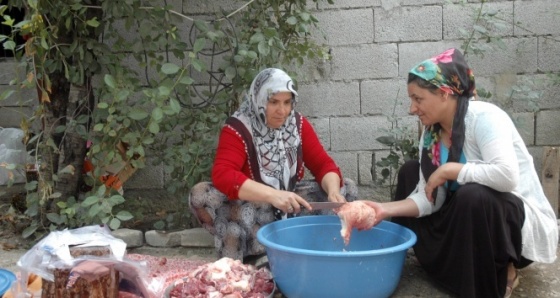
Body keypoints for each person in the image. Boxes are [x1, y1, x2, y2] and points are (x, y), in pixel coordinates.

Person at [359, 48, 558, 297]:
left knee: (473, 194)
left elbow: (507, 176)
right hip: (467, 214)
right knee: (411, 171)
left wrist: (450, 170)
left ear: (444, 94)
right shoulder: (431, 135)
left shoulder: (485, 118)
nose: (412, 108)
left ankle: (502, 269)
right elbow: (431, 197)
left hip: (508, 227)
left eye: (418, 99)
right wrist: (384, 208)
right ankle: (440, 263)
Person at [189, 68, 358, 261]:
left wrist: (333, 190)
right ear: (259, 99)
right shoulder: (238, 128)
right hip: (252, 209)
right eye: (274, 102)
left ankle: (307, 244)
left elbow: (323, 164)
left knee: (348, 188)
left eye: (287, 102)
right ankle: (258, 248)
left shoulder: (297, 124)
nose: (282, 110)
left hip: (289, 206)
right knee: (200, 194)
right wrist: (274, 195)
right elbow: (223, 174)